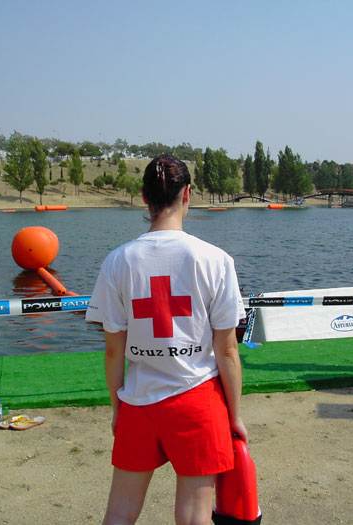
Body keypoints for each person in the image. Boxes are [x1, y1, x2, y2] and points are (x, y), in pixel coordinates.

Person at [85, 154, 248, 525]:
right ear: (187, 194)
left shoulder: (117, 261)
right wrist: (234, 416)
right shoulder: (215, 259)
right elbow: (226, 350)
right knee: (194, 517)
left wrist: (117, 407)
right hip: (197, 399)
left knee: (120, 513)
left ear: (144, 197)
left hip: (139, 402)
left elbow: (114, 352)